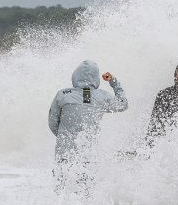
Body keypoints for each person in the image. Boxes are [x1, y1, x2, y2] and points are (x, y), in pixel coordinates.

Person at [48, 60, 128, 188]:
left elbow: (52, 121)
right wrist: (114, 82)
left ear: (75, 75)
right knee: (86, 191)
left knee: (61, 189)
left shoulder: (62, 94)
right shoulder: (102, 96)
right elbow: (123, 105)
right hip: (88, 153)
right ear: (96, 78)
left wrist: (64, 137)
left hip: (64, 152)